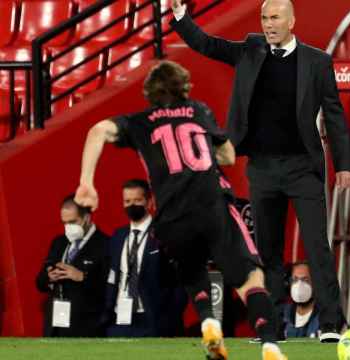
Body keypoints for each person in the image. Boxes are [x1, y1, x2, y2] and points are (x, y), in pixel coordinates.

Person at [74, 61, 286, 360]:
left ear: (149, 92)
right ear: (184, 87)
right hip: (212, 205)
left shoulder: (141, 121)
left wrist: (86, 183)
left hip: (170, 215)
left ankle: (209, 322)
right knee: (250, 279)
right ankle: (269, 344)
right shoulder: (199, 111)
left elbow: (98, 130)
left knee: (192, 270)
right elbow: (227, 155)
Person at [170, 0, 350, 342]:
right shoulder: (251, 50)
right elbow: (207, 45)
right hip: (262, 168)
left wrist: (344, 165)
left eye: (275, 18)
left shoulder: (317, 61)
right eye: (265, 18)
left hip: (303, 168)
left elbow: (334, 116)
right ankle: (274, 327)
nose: (269, 24)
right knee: (267, 251)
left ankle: (330, 324)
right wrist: (181, 16)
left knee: (317, 247)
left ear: (292, 21)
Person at [104, 179, 183, 337]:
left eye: (137, 200)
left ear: (149, 201)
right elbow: (112, 277)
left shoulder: (165, 234)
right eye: (127, 201)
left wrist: (170, 317)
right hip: (119, 318)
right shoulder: (118, 237)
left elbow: (180, 281)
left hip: (153, 320)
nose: (132, 205)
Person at [35, 195, 109, 337]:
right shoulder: (59, 242)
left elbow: (109, 290)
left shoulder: (105, 244)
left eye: (73, 222)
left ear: (87, 217)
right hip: (55, 327)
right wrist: (49, 277)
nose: (68, 227)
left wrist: (82, 277)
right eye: (65, 223)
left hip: (86, 329)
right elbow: (39, 283)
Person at [283, 261, 320, 338]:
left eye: (305, 280)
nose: (299, 285)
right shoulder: (282, 314)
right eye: (295, 280)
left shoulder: (327, 317)